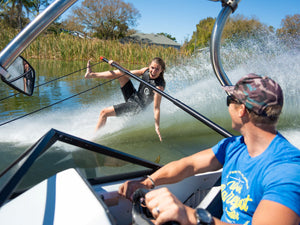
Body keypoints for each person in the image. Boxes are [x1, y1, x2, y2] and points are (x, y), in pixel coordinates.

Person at [119, 74, 300, 225]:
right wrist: (148, 182)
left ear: (241, 110)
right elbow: (189, 165)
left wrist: (190, 216)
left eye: (230, 99)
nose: (227, 104)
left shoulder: (287, 170)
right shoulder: (233, 146)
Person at [85, 57, 166, 141]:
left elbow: (156, 108)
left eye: (157, 69)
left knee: (104, 112)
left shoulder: (159, 86)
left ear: (161, 70)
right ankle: (91, 74)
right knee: (121, 74)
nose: (153, 71)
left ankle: (93, 140)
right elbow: (128, 73)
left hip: (137, 107)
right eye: (152, 68)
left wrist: (157, 127)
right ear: (149, 66)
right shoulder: (145, 71)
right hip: (134, 96)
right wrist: (116, 65)